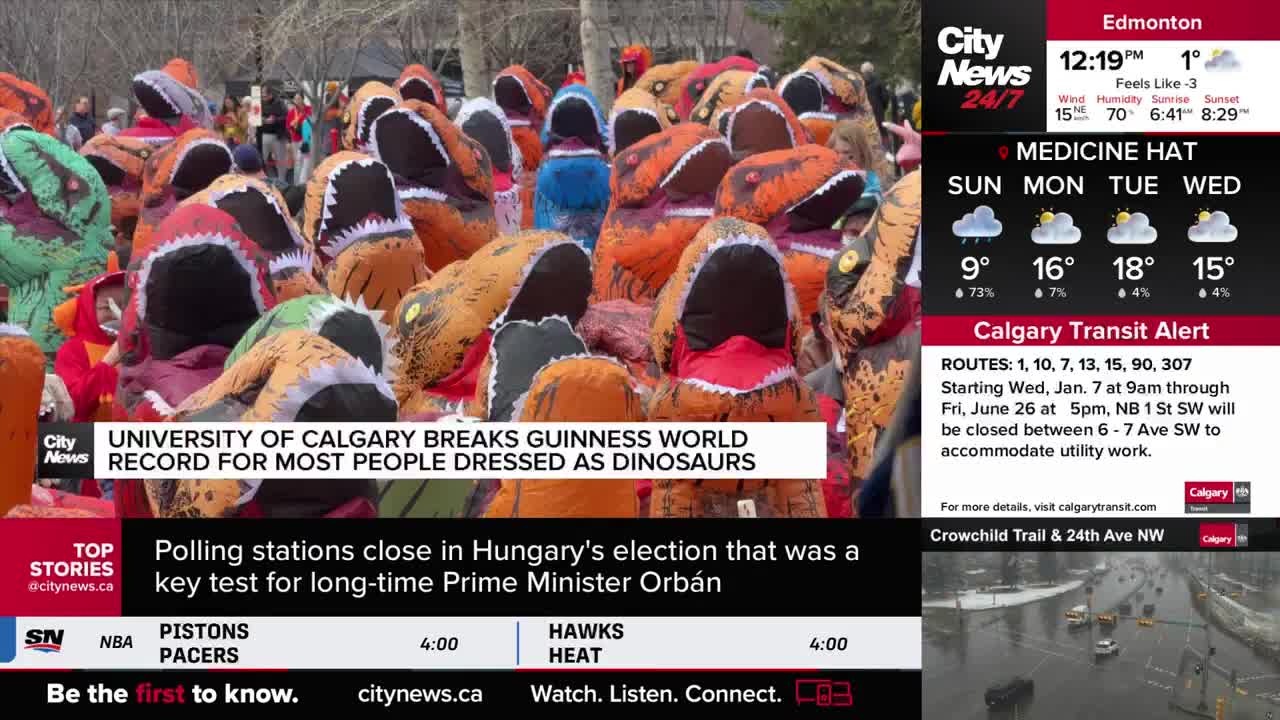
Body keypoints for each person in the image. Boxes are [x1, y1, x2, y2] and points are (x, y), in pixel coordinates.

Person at [54, 271, 125, 423]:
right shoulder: (73, 350)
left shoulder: (147, 345)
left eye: (126, 305)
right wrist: (108, 361)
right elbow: (71, 406)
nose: (118, 314)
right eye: (107, 307)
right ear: (89, 309)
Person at [827, 118, 885, 238]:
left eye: (850, 156)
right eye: (836, 154)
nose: (842, 161)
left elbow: (870, 200)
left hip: (860, 238)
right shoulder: (829, 180)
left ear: (862, 156)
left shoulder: (869, 179)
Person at [258, 85, 289, 182]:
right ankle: (270, 180)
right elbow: (255, 116)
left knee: (280, 161)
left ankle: (282, 182)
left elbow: (286, 117)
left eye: (264, 94)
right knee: (264, 161)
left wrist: (275, 119)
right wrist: (262, 119)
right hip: (264, 135)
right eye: (262, 94)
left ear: (270, 94)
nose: (263, 97)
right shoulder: (260, 104)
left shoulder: (280, 103)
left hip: (278, 136)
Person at [287, 93, 311, 183]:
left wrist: (299, 123)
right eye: (295, 99)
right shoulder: (291, 112)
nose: (296, 101)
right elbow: (288, 127)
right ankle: (296, 183)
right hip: (295, 139)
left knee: (305, 161)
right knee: (297, 162)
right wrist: (292, 126)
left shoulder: (308, 109)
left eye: (298, 99)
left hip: (306, 140)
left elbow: (310, 122)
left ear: (302, 99)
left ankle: (304, 182)